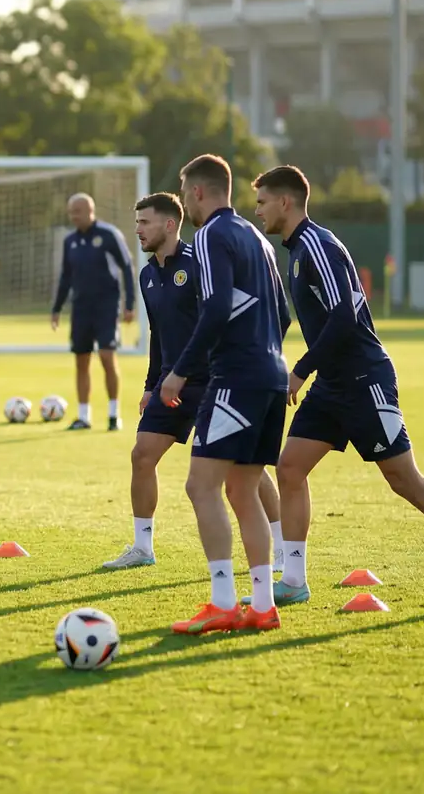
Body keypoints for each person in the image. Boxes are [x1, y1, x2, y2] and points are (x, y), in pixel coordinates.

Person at [253, 164, 424, 608]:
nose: (258, 212)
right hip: (333, 384)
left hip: (364, 379)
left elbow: (346, 317)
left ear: (285, 202)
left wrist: (301, 368)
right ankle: (293, 579)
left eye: (261, 202)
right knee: (289, 468)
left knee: (404, 479)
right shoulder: (295, 253)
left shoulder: (316, 245)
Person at [103, 192, 283, 571]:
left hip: (214, 381)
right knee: (142, 455)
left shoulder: (200, 262)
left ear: (170, 224)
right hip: (171, 385)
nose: (138, 229)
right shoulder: (148, 274)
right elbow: (158, 333)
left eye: (145, 222)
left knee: (244, 469)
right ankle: (142, 547)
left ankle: (282, 546)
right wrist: (152, 384)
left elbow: (222, 316)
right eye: (136, 223)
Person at [159, 154, 289, 634]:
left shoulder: (210, 236)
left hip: (236, 377)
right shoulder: (257, 237)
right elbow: (283, 313)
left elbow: (213, 310)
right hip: (272, 375)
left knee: (201, 486)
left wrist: (178, 372)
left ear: (196, 192)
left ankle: (221, 602)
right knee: (242, 488)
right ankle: (262, 604)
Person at [50, 193, 137, 431]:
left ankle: (113, 414)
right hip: (81, 308)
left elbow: (127, 267)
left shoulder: (108, 235)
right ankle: (84, 416)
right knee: (81, 360)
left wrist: (129, 303)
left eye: (77, 212)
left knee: (107, 357)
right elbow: (66, 277)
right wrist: (56, 308)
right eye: (71, 213)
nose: (73, 217)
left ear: (90, 210)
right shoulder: (70, 241)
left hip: (106, 307)